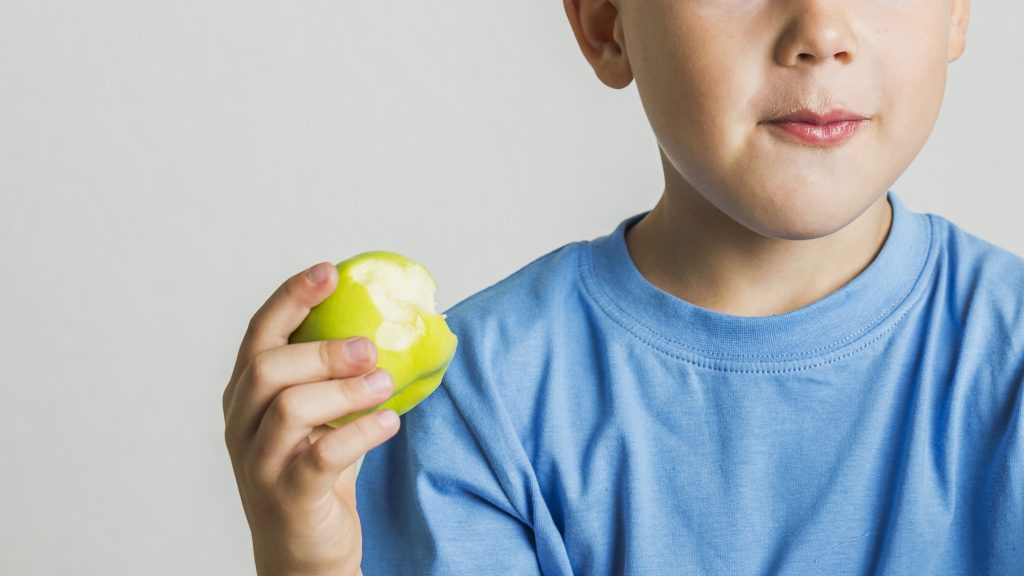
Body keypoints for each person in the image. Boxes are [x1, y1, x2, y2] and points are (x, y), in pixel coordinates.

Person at [223, 0, 1024, 573]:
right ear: (607, 24)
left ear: (959, 12)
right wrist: (309, 563)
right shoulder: (481, 404)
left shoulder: (1009, 360)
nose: (821, 30)